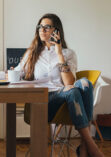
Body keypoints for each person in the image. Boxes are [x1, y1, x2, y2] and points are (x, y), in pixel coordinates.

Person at [14, 13, 104, 157]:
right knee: (72, 91)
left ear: (57, 31)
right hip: (44, 102)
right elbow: (15, 74)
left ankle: (86, 146)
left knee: (84, 83)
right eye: (40, 27)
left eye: (47, 27)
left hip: (67, 101)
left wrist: (59, 54)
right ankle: (90, 146)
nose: (42, 30)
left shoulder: (69, 53)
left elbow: (69, 83)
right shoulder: (32, 54)